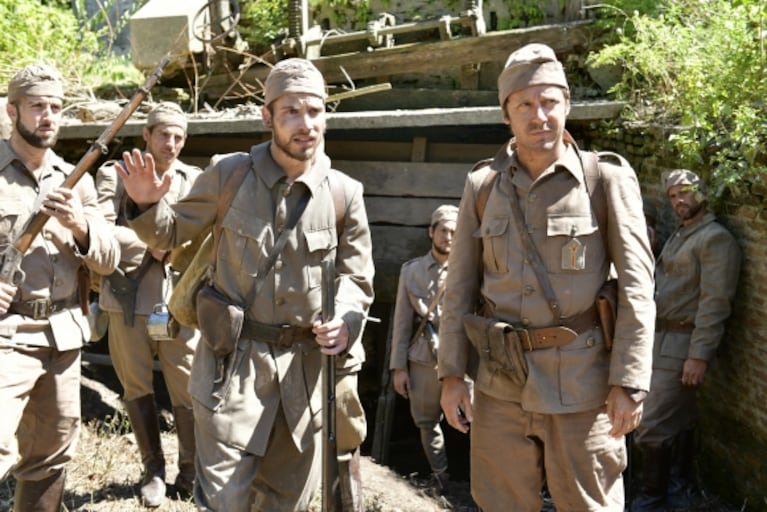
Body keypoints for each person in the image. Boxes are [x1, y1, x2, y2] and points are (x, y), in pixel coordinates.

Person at [116, 58, 375, 511]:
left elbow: (358, 277)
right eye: (291, 112)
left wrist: (347, 321)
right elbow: (171, 233)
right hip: (231, 370)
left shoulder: (343, 193)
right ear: (267, 117)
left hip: (305, 378)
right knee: (224, 501)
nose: (305, 124)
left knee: (285, 502)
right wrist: (147, 205)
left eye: (314, 111)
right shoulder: (229, 174)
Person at [437, 43, 656, 511]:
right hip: (500, 385)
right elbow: (458, 289)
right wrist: (452, 374)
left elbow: (638, 285)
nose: (541, 115)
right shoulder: (483, 186)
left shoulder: (605, 179)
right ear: (506, 114)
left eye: (551, 101)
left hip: (584, 385)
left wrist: (630, 381)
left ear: (567, 105)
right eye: (526, 104)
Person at [0, 63, 119, 511]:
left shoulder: (78, 180)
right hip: (6, 336)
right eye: (36, 107)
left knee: (50, 455)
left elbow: (108, 260)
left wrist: (79, 224)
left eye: (55, 107)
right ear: (13, 111)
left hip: (63, 336)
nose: (48, 116)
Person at [94, 102, 202, 507]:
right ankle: (153, 470)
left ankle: (190, 471)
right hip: (128, 301)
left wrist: (173, 249)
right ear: (147, 135)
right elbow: (101, 231)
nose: (170, 144)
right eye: (163, 135)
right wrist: (153, 242)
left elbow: (203, 235)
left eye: (178, 137)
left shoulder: (193, 179)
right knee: (136, 385)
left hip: (176, 306)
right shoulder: (115, 175)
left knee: (187, 385)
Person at [630, 169, 741, 511]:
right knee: (676, 417)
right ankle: (677, 488)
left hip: (682, 343)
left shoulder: (714, 239)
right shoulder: (683, 234)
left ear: (702, 193)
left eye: (686, 192)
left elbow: (715, 301)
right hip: (659, 338)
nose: (679, 200)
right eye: (673, 196)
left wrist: (699, 355)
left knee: (649, 421)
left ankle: (652, 496)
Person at [389, 204, 457, 491]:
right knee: (427, 422)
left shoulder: (471, 271)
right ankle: (441, 477)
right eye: (443, 230)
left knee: (479, 422)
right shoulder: (411, 271)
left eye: (455, 231)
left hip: (461, 359)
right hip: (423, 359)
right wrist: (398, 367)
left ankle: (484, 484)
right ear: (431, 232)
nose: (449, 237)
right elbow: (402, 323)